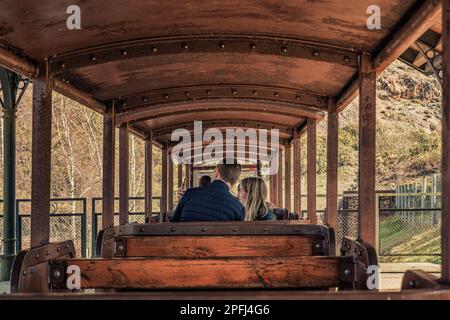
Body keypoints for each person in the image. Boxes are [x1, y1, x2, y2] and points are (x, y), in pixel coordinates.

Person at [170, 159, 245, 222]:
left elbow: (174, 222)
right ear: (235, 181)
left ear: (217, 172)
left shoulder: (189, 194)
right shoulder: (238, 208)